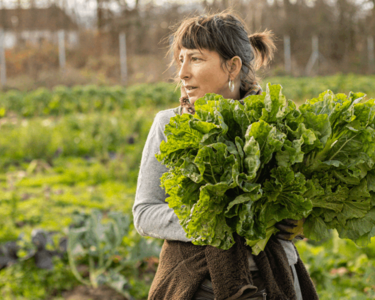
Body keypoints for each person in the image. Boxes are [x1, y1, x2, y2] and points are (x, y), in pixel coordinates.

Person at [133, 11, 317, 300]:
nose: (182, 73)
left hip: (277, 282)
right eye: (181, 59)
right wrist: (216, 222)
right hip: (198, 287)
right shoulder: (169, 125)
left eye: (195, 59)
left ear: (232, 66)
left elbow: (305, 205)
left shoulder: (277, 124)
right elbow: (145, 213)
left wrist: (300, 221)